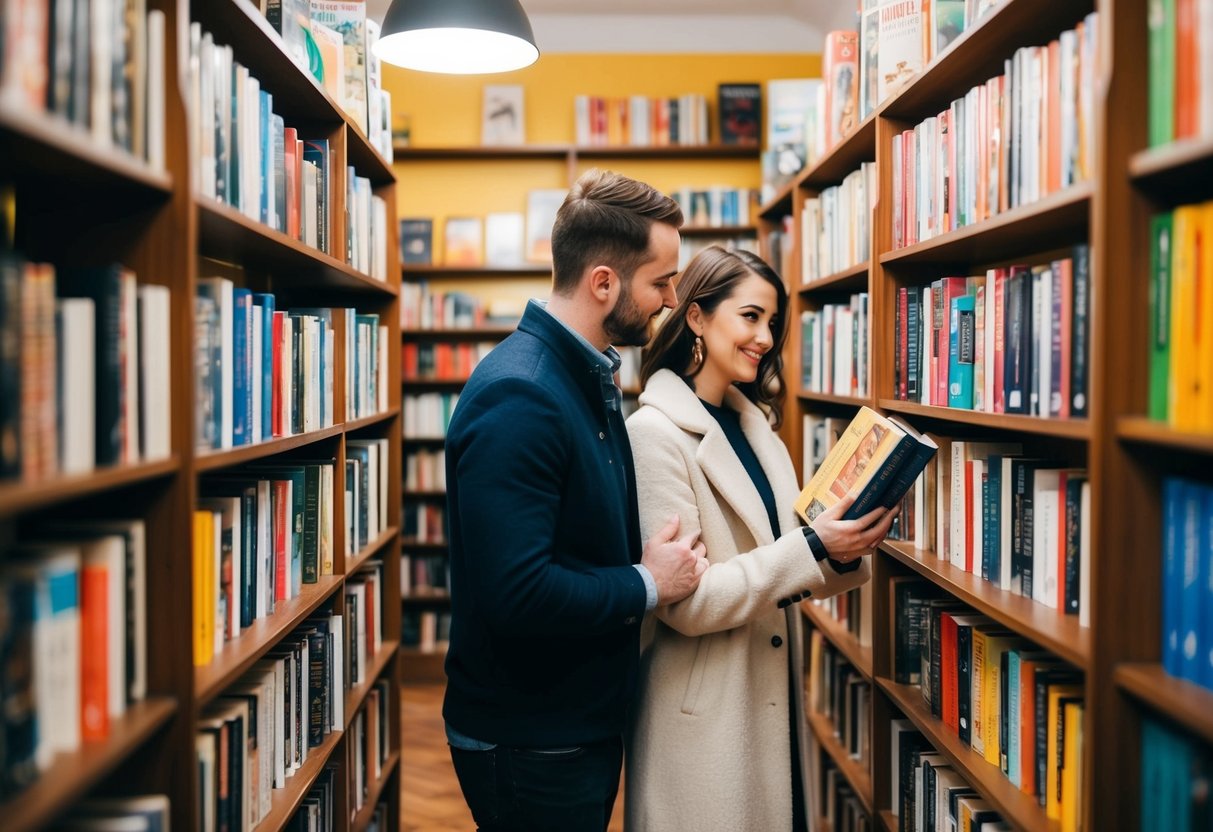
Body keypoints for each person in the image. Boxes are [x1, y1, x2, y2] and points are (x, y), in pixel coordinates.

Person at [442, 168, 710, 832]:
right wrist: (647, 581)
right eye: (661, 281)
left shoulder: (585, 373)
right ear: (603, 283)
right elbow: (518, 594)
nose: (672, 299)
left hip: (569, 721)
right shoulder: (523, 395)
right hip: (532, 735)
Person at [624, 246, 899, 832]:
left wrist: (843, 544)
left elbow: (789, 561)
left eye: (773, 322)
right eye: (750, 317)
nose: (765, 338)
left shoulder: (761, 429)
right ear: (696, 317)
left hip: (769, 704)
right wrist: (813, 548)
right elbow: (685, 604)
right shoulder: (654, 434)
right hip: (706, 719)